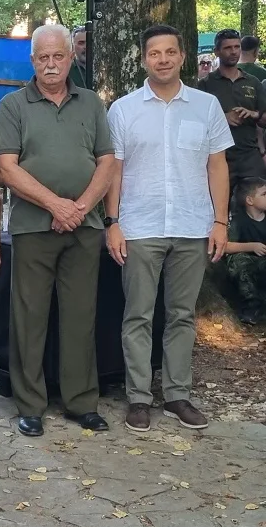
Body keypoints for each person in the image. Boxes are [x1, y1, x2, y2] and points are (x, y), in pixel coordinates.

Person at [105, 24, 231, 433]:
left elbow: (217, 166)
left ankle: (178, 394)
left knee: (181, 316)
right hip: (139, 227)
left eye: (170, 52)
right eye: (154, 53)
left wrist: (220, 221)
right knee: (137, 316)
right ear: (144, 59)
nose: (162, 59)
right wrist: (113, 223)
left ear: (182, 57)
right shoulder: (123, 109)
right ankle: (139, 398)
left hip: (194, 225)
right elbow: (115, 171)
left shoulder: (206, 106)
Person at [0, 24, 115, 438]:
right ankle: (30, 404)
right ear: (32, 61)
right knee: (30, 318)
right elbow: (7, 167)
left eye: (57, 56)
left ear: (69, 57)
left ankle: (81, 402)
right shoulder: (13, 105)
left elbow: (107, 161)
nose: (50, 64)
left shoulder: (91, 103)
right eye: (42, 57)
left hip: (85, 225)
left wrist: (80, 208)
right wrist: (55, 205)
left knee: (82, 315)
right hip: (33, 226)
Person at [197, 29, 266, 186]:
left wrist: (253, 114)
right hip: (218, 156)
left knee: (255, 206)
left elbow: (264, 120)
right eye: (228, 48)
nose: (233, 52)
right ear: (217, 51)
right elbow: (196, 122)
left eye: (237, 47)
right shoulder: (205, 84)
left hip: (249, 156)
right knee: (220, 207)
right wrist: (222, 118)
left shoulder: (253, 82)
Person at [226, 178, 266, 324]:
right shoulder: (238, 221)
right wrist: (252, 246)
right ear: (250, 200)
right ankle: (252, 308)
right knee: (238, 261)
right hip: (245, 267)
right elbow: (226, 246)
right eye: (264, 194)